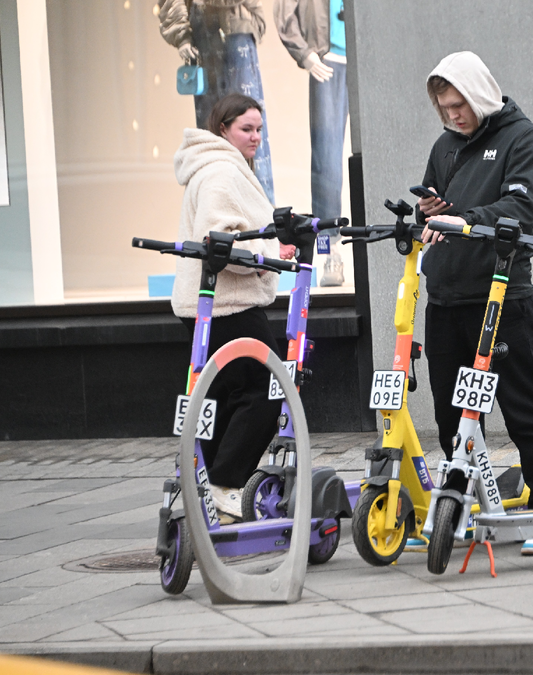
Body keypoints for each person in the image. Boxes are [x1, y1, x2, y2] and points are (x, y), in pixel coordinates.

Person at [413, 51, 533, 556]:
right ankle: (462, 506)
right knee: (450, 413)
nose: (453, 115)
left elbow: (521, 209)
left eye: (459, 104)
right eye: (444, 107)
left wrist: (463, 218)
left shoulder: (524, 138)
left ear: (479, 94)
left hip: (501, 294)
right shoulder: (445, 146)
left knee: (524, 407)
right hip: (446, 297)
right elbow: (439, 213)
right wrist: (430, 210)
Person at [171, 93, 294, 521]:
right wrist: (269, 254)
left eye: (260, 129)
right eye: (246, 128)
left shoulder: (213, 167)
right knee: (268, 391)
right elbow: (219, 241)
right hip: (230, 305)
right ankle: (224, 486)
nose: (256, 137)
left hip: (207, 307)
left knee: (220, 400)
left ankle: (203, 491)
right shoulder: (222, 171)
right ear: (223, 129)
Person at [159, 0, 276, 203]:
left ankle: (263, 216)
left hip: (237, 27)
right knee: (213, 131)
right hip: (204, 30)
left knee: (248, 126)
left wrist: (253, 19)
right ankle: (218, 208)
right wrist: (182, 36)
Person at [274, 0, 349, 286]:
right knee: (327, 162)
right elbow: (283, 14)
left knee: (376, 153)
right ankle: (330, 250)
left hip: (365, 59)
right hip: (326, 63)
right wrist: (305, 54)